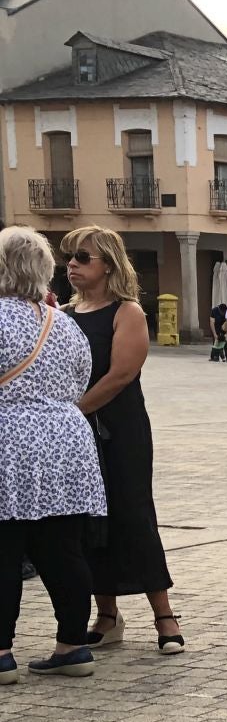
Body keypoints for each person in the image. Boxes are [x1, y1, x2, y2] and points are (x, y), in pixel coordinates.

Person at [60, 226, 183, 656]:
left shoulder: (126, 311)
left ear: (108, 264)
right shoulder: (64, 314)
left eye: (82, 257)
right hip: (78, 433)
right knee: (91, 522)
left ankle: (164, 616)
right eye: (69, 257)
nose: (71, 264)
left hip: (121, 427)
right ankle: (107, 616)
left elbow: (121, 375)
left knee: (134, 515)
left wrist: (73, 412)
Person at [0, 226, 104, 682]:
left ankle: (2, 653)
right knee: (64, 548)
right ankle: (72, 645)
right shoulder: (62, 322)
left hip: (9, 439)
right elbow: (81, 379)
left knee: (3, 549)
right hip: (66, 440)